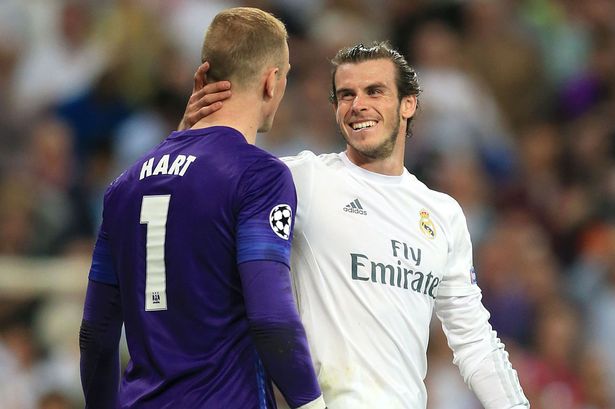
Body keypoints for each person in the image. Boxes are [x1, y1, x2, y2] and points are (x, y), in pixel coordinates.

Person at [183, 42, 530, 408]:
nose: (358, 105)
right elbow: (197, 187)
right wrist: (189, 137)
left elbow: (474, 340)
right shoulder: (302, 179)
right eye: (346, 95)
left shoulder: (443, 214)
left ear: (408, 104)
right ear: (335, 110)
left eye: (374, 91)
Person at [79, 7, 326, 409]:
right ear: (272, 81)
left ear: (202, 77)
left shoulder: (124, 185)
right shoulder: (259, 175)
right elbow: (270, 317)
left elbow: (96, 335)